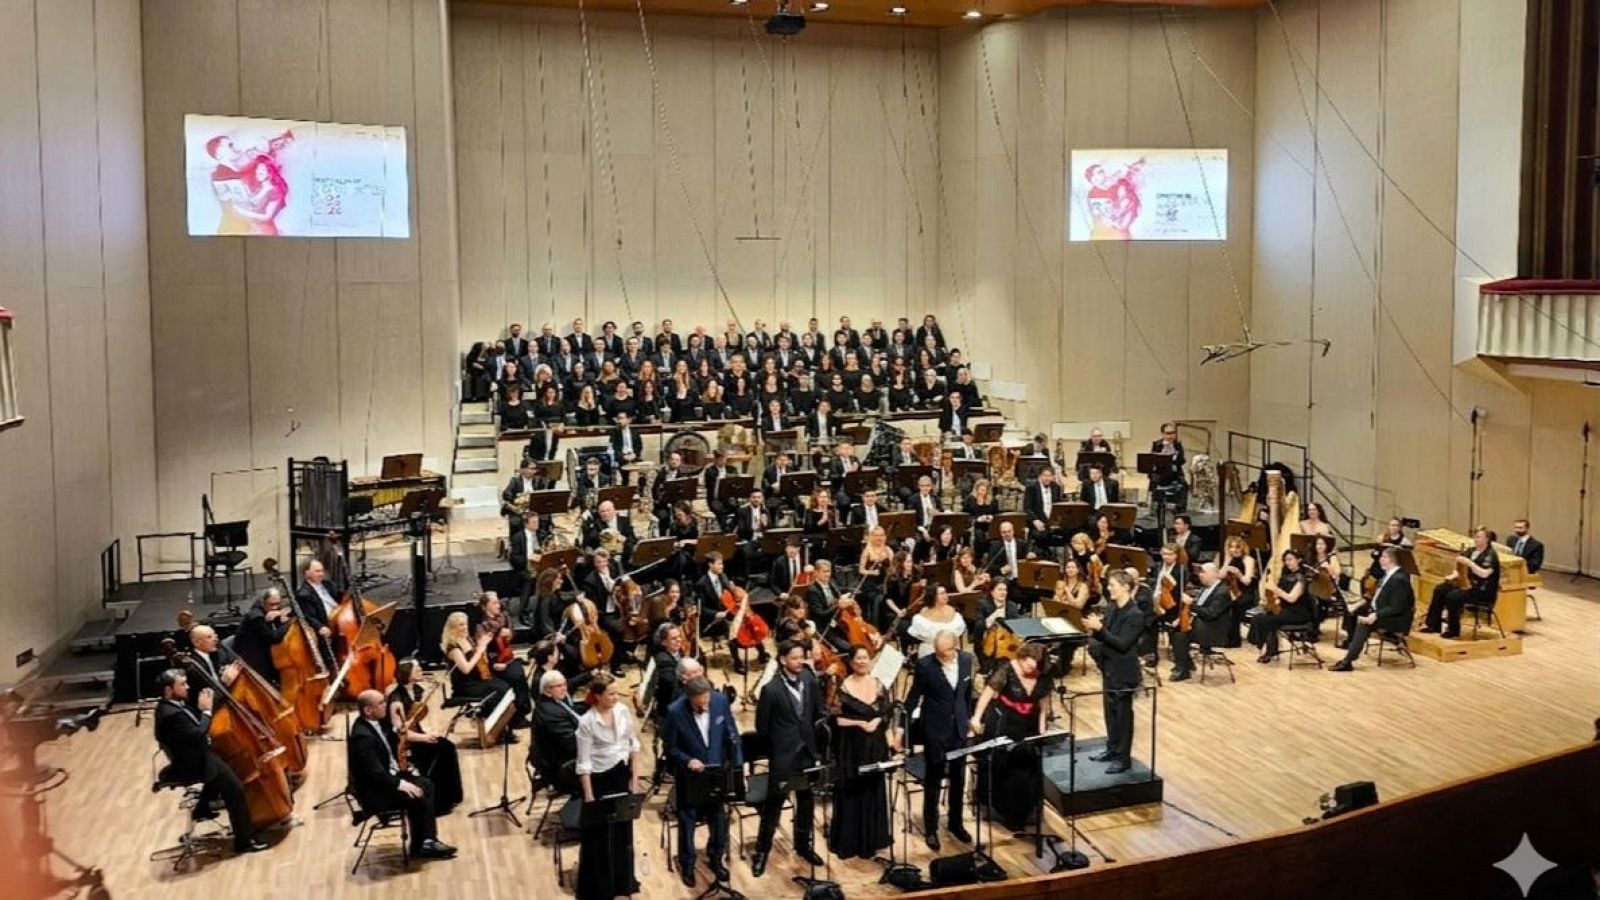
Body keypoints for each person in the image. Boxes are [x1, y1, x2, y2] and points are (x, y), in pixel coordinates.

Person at [153, 669, 266, 854]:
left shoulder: (171, 706)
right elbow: (198, 733)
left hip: (195, 756)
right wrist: (206, 710)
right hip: (195, 764)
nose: (187, 687)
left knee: (226, 768)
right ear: (168, 690)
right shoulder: (171, 714)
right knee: (236, 790)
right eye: (182, 684)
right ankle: (244, 841)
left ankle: (202, 809)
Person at [348, 689, 457, 859]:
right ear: (368, 710)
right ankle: (423, 844)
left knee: (426, 784)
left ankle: (424, 842)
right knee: (419, 793)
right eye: (381, 703)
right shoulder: (362, 737)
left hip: (388, 776)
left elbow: (391, 741)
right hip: (375, 791)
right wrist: (401, 783)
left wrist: (402, 733)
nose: (386, 705)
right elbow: (374, 773)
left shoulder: (377, 723)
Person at [752, 639, 826, 877]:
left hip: (807, 751)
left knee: (806, 801)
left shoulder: (809, 679)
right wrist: (780, 744)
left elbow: (818, 710)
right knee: (774, 805)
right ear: (783, 660)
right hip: (783, 756)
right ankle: (762, 851)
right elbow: (762, 727)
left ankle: (803, 845)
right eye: (794, 658)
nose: (800, 662)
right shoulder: (770, 690)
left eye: (802, 657)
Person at [662, 675, 741, 887]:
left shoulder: (720, 701)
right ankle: (687, 864)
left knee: (718, 819)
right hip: (691, 776)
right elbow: (670, 748)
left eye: (708, 697)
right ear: (689, 698)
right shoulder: (675, 712)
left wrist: (737, 767)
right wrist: (687, 761)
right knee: (688, 822)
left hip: (716, 771)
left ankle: (716, 858)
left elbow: (731, 732)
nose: (706, 703)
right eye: (701, 700)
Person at [970, 642, 1053, 830]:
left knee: (1027, 769)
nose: (1032, 670)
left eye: (1036, 667)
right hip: (1004, 723)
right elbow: (986, 696)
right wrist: (976, 718)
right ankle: (1003, 810)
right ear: (1022, 658)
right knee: (1005, 768)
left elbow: (1043, 707)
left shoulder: (1043, 674)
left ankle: (1024, 810)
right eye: (1029, 665)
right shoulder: (1006, 670)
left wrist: (1041, 731)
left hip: (1028, 725)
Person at [903, 632, 974, 850]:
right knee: (933, 780)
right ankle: (931, 828)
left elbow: (966, 692)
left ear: (955, 648)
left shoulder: (966, 660)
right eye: (939, 653)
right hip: (934, 728)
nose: (942, 657)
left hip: (959, 729)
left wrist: (969, 719)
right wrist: (900, 729)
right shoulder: (925, 666)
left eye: (946, 653)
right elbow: (914, 697)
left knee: (958, 777)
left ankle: (956, 823)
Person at [575, 672, 642, 899]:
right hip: (600, 780)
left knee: (623, 832)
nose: (616, 697)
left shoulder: (623, 711)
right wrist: (589, 797)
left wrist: (635, 781)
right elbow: (583, 764)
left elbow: (633, 744)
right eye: (611, 693)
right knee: (600, 837)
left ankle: (623, 883)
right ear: (597, 696)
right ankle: (602, 887)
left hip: (621, 775)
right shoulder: (587, 722)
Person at [829, 645, 897, 860]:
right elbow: (836, 719)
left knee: (873, 789)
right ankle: (851, 842)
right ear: (851, 662)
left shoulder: (878, 684)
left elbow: (886, 712)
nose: (862, 661)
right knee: (853, 790)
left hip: (875, 744)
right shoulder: (843, 687)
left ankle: (873, 839)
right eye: (857, 658)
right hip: (851, 747)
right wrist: (860, 724)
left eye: (865, 657)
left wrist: (876, 721)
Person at [1083, 569, 1142, 774]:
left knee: (1123, 717)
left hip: (1124, 672)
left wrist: (1100, 629)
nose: (1108, 589)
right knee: (1110, 713)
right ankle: (1112, 748)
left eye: (1112, 585)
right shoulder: (1111, 608)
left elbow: (1123, 644)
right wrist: (1094, 630)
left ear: (1126, 587)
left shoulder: (1135, 614)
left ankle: (1123, 757)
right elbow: (1104, 638)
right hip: (1108, 668)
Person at [386, 659, 463, 815]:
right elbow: (400, 733)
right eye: (417, 670)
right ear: (407, 675)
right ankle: (439, 804)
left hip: (418, 734)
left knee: (448, 747)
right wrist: (425, 738)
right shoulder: (396, 702)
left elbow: (418, 716)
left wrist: (429, 732)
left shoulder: (416, 690)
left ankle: (452, 795)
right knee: (440, 753)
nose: (421, 670)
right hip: (406, 744)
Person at [1332, 548, 1417, 672]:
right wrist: (1357, 606)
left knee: (1363, 624)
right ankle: (1351, 641)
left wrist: (1375, 615)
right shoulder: (1388, 575)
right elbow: (1375, 596)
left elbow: (1396, 607)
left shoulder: (1400, 579)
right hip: (1380, 610)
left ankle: (1348, 661)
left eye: (1383, 557)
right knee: (1353, 612)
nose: (1380, 560)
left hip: (1395, 619)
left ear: (1391, 560)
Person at [439, 612, 517, 743]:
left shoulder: (467, 639)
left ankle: (500, 728)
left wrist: (483, 648)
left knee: (506, 686)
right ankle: (493, 728)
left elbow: (480, 661)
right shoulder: (453, 648)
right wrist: (480, 649)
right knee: (500, 691)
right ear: (452, 628)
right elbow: (466, 668)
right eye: (461, 625)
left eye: (466, 624)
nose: (465, 627)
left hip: (478, 679)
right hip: (467, 685)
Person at [1421, 526, 1500, 639]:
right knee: (1440, 589)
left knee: (1453, 597)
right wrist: (1453, 575)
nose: (1476, 539)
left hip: (1482, 590)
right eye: (1475, 537)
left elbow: (1484, 574)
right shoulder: (1470, 551)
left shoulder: (1491, 555)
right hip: (1467, 585)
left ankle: (1453, 629)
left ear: (1486, 539)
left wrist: (1470, 563)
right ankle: (1433, 625)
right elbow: (1460, 569)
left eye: (1479, 537)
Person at [1167, 562, 1234, 681]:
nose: (1200, 575)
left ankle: (1183, 670)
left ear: (1213, 574)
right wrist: (1182, 618)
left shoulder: (1222, 592)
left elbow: (1211, 613)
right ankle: (1185, 664)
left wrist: (1191, 603)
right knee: (1173, 628)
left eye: (1203, 572)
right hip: (1202, 624)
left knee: (1179, 635)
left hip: (1213, 630)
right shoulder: (1205, 588)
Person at [475, 592, 532, 724]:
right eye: (494, 603)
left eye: (498, 601)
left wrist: (510, 633)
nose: (498, 605)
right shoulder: (481, 625)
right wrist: (493, 663)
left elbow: (511, 635)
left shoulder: (503, 617)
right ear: (485, 607)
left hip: (507, 656)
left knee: (520, 674)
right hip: (493, 661)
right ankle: (512, 716)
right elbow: (482, 650)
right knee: (514, 677)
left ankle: (521, 711)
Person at [1249, 549, 1314, 662]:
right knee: (1264, 615)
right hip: (1287, 610)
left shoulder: (1302, 578)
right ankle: (1269, 649)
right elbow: (1280, 597)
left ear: (1299, 560)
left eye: (1290, 559)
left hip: (1299, 613)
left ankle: (1267, 649)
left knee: (1267, 619)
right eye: (1286, 560)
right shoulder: (1286, 575)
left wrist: (1275, 588)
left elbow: (1291, 598)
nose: (1287, 562)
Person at [532, 670, 584, 797]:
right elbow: (572, 745)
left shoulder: (555, 701)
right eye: (559, 686)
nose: (564, 689)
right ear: (547, 690)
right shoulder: (550, 712)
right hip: (560, 766)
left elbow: (572, 715)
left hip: (561, 754)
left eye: (564, 684)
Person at [232, 588, 292, 686]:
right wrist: (288, 623)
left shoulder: (271, 611)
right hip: (250, 657)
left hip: (262, 650)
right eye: (271, 604)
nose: (275, 607)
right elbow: (273, 638)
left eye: (278, 604)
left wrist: (279, 617)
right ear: (263, 602)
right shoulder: (256, 616)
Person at [295, 558, 340, 637]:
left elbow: (342, 598)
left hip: (341, 620)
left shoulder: (329, 585)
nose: (321, 574)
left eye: (322, 571)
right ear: (307, 573)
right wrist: (320, 627)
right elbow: (308, 616)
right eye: (317, 571)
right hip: (328, 627)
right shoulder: (304, 594)